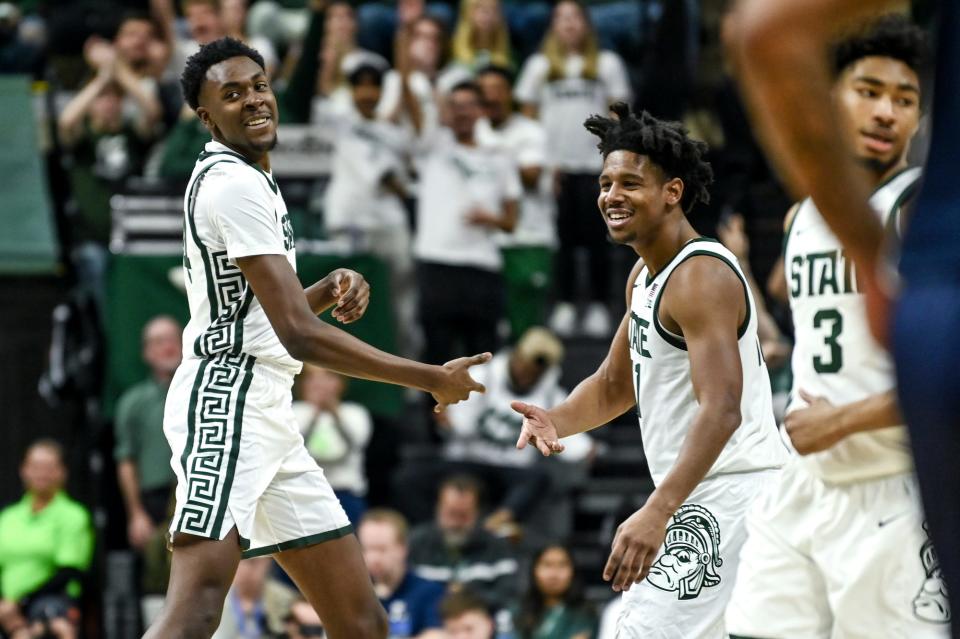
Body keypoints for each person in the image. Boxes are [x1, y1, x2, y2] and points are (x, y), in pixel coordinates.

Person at [143, 37, 490, 639]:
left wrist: (327, 287)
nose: (254, 100)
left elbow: (262, 319)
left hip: (267, 409)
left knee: (360, 623)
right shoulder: (235, 184)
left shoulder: (247, 178)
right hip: (226, 402)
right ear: (206, 117)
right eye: (232, 94)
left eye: (258, 85)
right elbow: (299, 337)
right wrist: (429, 377)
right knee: (197, 607)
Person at [510, 103, 787, 638]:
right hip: (704, 491)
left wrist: (657, 510)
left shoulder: (700, 275)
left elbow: (723, 409)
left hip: (730, 492)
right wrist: (556, 419)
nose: (612, 196)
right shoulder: (646, 275)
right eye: (606, 182)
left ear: (672, 193)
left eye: (630, 183)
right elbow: (616, 384)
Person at [728, 0, 960, 626]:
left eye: (905, 99)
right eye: (869, 91)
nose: (887, 111)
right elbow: (799, 309)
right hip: (804, 483)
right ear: (830, 96)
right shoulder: (804, 214)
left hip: (890, 481)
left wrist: (842, 421)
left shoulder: (915, 208)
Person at [514, 0, 631, 338]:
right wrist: (541, 159)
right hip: (556, 168)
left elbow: (618, 114)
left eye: (574, 18)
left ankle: (596, 304)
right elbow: (527, 116)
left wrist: (611, 160)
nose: (568, 24)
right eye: (562, 18)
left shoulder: (606, 64)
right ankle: (564, 303)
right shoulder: (539, 66)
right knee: (563, 239)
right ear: (553, 25)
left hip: (594, 166)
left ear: (585, 24)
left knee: (598, 238)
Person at [412, 80, 520, 367]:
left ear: (482, 111)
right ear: (446, 111)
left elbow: (511, 221)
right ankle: (435, 413)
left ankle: (479, 412)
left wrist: (490, 218)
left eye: (469, 105)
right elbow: (411, 100)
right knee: (437, 354)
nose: (462, 112)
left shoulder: (499, 154)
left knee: (482, 355)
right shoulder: (433, 146)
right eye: (455, 105)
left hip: (482, 266)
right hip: (437, 263)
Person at [476, 65, 557, 340]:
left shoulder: (531, 132)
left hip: (528, 239)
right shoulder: (472, 131)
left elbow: (531, 177)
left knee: (526, 331)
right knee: (486, 330)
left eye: (497, 90)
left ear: (510, 94)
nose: (491, 98)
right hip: (483, 242)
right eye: (484, 91)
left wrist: (489, 156)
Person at [0, 440, 95, 639]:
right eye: (35, 467)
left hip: (51, 600)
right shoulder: (7, 517)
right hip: (6, 605)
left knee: (57, 625)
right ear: (23, 470)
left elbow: (69, 572)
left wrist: (20, 602)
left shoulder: (73, 515)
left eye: (49, 468)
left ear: (62, 472)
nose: (42, 474)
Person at [114, 316, 182, 553]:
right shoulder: (133, 403)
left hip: (197, 491)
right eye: (159, 341)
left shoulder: (201, 392)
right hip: (155, 498)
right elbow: (126, 460)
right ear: (146, 352)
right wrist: (136, 514)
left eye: (174, 339)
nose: (168, 346)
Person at [407, 475, 518, 613]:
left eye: (463, 515)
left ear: (477, 513)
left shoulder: (496, 546)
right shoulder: (416, 543)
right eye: (451, 514)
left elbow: (511, 596)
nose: (455, 523)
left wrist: (468, 598)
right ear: (438, 508)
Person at [293, 365, 372, 527]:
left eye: (327, 377)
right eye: (312, 378)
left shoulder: (355, 413)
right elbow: (294, 449)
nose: (319, 384)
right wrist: (314, 416)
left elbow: (352, 447)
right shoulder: (293, 412)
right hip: (304, 494)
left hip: (345, 493)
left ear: (340, 383)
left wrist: (335, 415)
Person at [358, 509, 446, 639]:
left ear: (402, 548)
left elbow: (437, 635)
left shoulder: (430, 592)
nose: (373, 558)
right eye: (367, 549)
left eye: (381, 549)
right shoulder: (356, 594)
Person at [511, 543, 596, 639]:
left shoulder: (585, 613)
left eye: (562, 565)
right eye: (547, 565)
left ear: (573, 571)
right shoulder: (518, 609)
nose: (554, 574)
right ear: (534, 570)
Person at [450, 0, 512, 72]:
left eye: (494, 9)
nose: (488, 15)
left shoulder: (509, 55)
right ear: (466, 13)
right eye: (480, 8)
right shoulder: (451, 50)